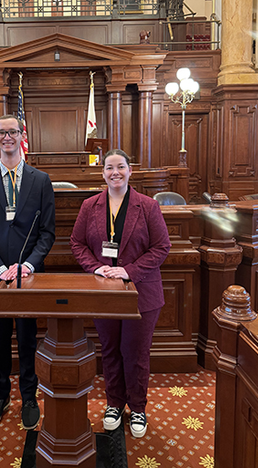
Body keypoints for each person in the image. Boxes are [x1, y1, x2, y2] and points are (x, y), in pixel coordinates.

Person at [70, 149, 170, 438]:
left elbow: (162, 247)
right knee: (110, 350)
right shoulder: (90, 205)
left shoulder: (148, 206)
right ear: (102, 173)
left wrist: (130, 271)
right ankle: (114, 403)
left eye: (121, 167)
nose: (116, 172)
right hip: (104, 292)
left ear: (130, 171)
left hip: (142, 292)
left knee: (136, 353)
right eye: (110, 168)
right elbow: (76, 243)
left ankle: (137, 407)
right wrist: (96, 268)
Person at [0, 114, 55, 431]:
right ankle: (1, 395)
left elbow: (47, 233)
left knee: (28, 337)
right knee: (0, 339)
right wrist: (1, 267)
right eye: (2, 132)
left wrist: (28, 264)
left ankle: (29, 396)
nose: (8, 137)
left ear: (22, 135)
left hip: (29, 276)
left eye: (13, 132)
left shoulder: (40, 180)